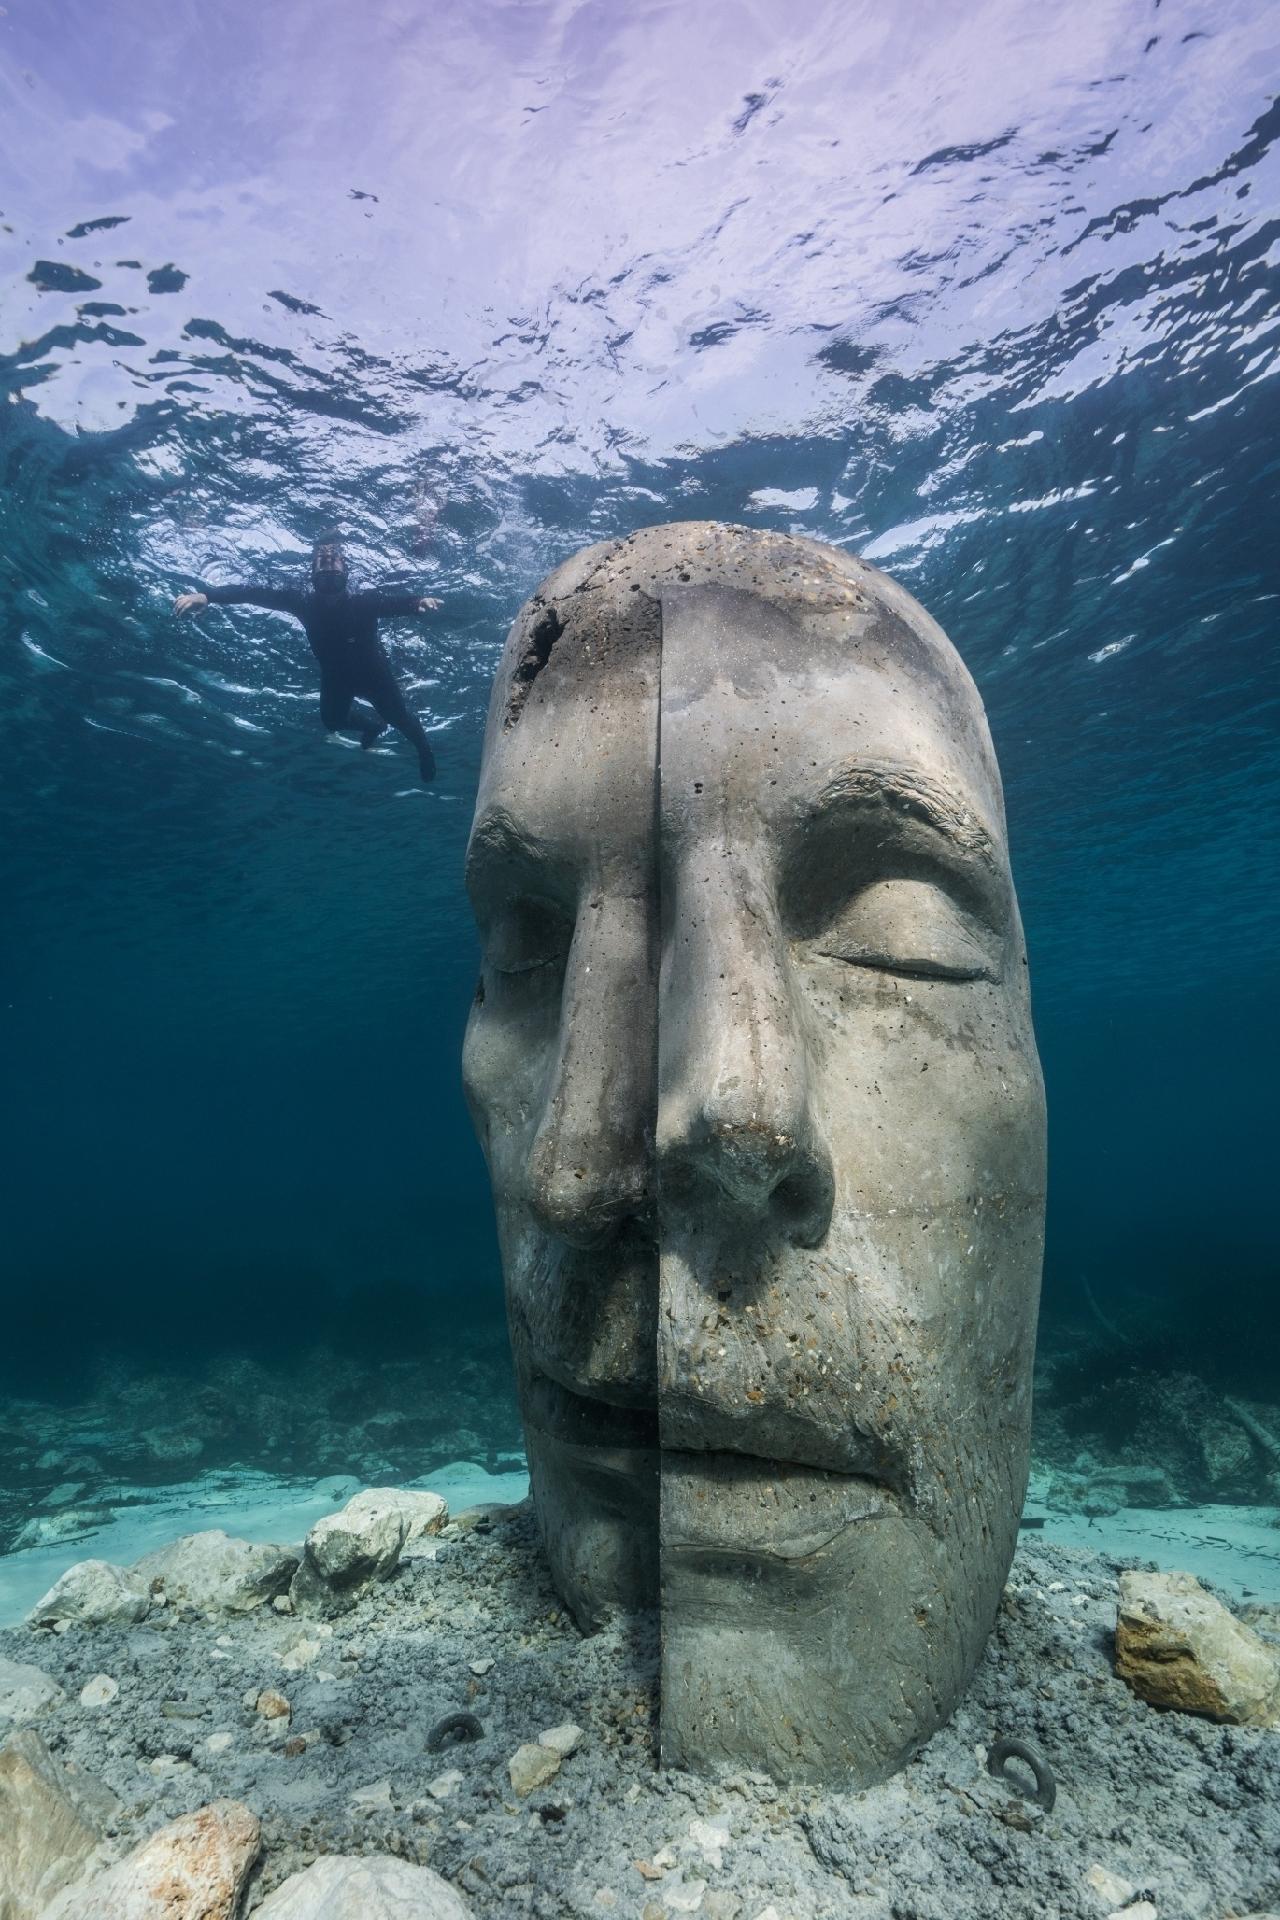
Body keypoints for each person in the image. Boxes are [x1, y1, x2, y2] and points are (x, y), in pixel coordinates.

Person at [174, 540, 441, 783]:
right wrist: (208, 596)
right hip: (336, 677)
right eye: (323, 582)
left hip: (374, 675)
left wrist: (418, 602)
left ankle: (424, 750)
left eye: (334, 582)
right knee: (333, 721)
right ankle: (373, 726)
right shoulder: (300, 601)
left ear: (346, 579)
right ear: (312, 580)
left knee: (401, 719)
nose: (329, 592)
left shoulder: (364, 601)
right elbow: (252, 593)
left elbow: (395, 603)